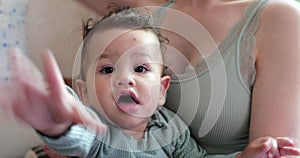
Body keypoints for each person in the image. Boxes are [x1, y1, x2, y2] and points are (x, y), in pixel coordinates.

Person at [7, 7, 300, 158]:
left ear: (162, 90)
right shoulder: (96, 128)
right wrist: (59, 124)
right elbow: (80, 141)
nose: (125, 79)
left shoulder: (172, 129)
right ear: (84, 92)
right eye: (108, 70)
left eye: (141, 68)